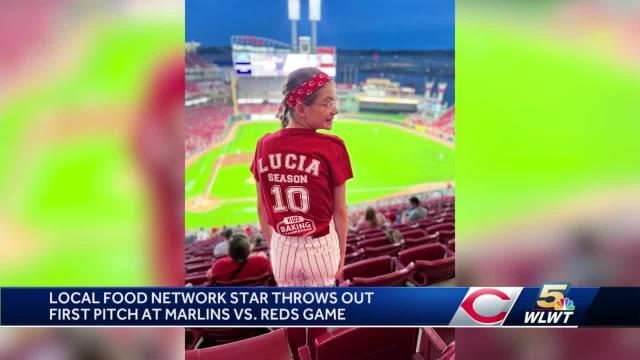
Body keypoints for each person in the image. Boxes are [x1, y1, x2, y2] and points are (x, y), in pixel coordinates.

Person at [250, 67, 352, 286]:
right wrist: (342, 256)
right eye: (327, 103)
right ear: (301, 109)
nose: (335, 110)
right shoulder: (333, 147)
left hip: (281, 249)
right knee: (321, 315)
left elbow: (262, 208)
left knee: (292, 315)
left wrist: (274, 246)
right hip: (321, 249)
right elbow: (340, 212)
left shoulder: (263, 145)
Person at [206, 233, 272, 283]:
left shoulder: (219, 265)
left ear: (229, 250)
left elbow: (209, 277)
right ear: (248, 248)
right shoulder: (260, 261)